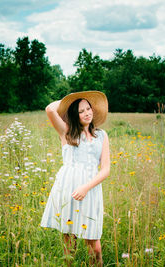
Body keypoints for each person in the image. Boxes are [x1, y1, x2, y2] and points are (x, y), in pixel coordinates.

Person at [40, 91, 110, 266]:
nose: (87, 113)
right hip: (68, 190)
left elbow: (106, 169)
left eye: (88, 108)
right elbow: (50, 109)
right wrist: (70, 100)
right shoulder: (66, 132)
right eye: (81, 111)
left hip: (90, 191)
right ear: (73, 114)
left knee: (95, 248)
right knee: (69, 245)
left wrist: (86, 187)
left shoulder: (101, 135)